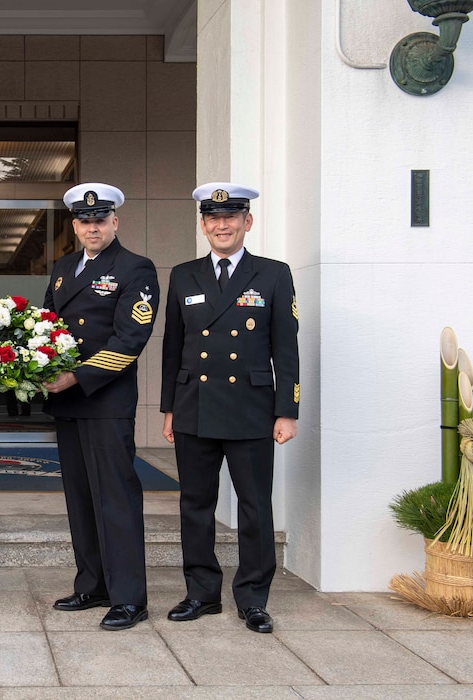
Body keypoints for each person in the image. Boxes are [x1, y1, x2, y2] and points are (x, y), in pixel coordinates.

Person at [160, 182, 299, 634]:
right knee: (195, 504)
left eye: (231, 217)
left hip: (252, 408)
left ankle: (254, 598)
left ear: (247, 222)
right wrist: (168, 408)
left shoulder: (274, 274)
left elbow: (286, 347)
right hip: (195, 406)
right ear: (203, 226)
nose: (222, 225)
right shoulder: (183, 274)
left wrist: (287, 410)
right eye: (213, 219)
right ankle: (201, 593)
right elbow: (173, 346)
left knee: (255, 506)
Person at [42, 183, 160, 631]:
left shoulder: (135, 268)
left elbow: (130, 339)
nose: (92, 227)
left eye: (100, 220)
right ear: (75, 226)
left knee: (116, 499)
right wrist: (38, 369)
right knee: (81, 497)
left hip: (105, 398)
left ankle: (129, 597)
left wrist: (77, 375)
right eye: (84, 221)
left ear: (115, 222)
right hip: (68, 403)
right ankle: (93, 584)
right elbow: (46, 324)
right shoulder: (64, 266)